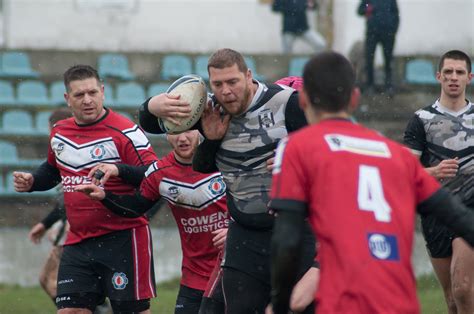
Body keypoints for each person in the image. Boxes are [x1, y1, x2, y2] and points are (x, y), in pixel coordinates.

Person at [268, 51, 474, 314]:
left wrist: (280, 301)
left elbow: (286, 241)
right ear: (355, 99)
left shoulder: (296, 147)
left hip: (345, 303)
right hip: (400, 305)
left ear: (304, 99)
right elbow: (461, 219)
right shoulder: (394, 153)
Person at [138, 48, 317, 314]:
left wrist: (295, 151)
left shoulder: (286, 102)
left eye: (233, 82)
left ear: (248, 75)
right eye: (218, 84)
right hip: (244, 236)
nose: (226, 91)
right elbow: (151, 123)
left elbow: (331, 141)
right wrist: (152, 104)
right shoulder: (210, 110)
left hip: (295, 232)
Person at [13, 64, 158, 314]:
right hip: (78, 241)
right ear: (68, 99)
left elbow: (154, 175)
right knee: (70, 310)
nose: (87, 100)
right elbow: (51, 170)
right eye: (79, 95)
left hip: (123, 239)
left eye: (92, 92)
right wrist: (32, 181)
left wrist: (118, 169)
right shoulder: (60, 133)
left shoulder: (125, 131)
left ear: (102, 91)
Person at [74, 129, 228, 314]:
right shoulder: (160, 172)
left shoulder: (226, 161)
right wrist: (104, 196)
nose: (182, 138)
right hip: (195, 275)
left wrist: (234, 230)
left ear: (200, 129)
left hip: (235, 266)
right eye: (175, 132)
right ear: (165, 134)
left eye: (188, 130)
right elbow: (136, 206)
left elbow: (256, 203)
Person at [403, 50, 474, 314]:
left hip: (469, 210)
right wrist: (434, 172)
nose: (453, 78)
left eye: (459, 73)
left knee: (463, 288)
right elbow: (404, 172)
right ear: (438, 77)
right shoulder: (421, 120)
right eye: (448, 73)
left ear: (469, 77)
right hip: (436, 212)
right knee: (452, 299)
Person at [28, 107, 72, 302]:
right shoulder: (59, 156)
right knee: (51, 281)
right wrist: (46, 224)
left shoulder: (74, 156)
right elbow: (65, 202)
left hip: (74, 231)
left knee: (53, 281)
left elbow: (72, 201)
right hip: (68, 227)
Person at [357, 0, 399, 94]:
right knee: (369, 60)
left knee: (388, 60)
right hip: (372, 33)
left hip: (388, 34)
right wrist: (367, 9)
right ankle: (370, 85)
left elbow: (396, 15)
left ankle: (388, 86)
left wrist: (393, 30)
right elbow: (360, 11)